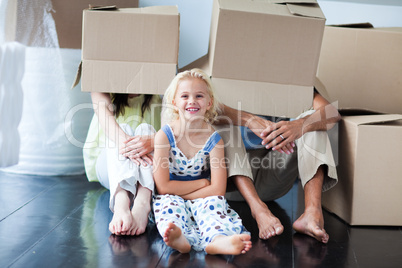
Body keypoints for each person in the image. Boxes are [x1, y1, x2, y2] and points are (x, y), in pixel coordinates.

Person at [152, 68, 252, 255]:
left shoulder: (214, 140)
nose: (192, 101)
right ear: (174, 102)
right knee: (170, 208)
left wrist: (190, 193)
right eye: (184, 96)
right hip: (178, 194)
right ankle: (181, 239)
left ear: (209, 102)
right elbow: (163, 187)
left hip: (204, 196)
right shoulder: (164, 136)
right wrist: (201, 183)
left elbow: (218, 190)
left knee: (213, 207)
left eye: (199, 96)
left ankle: (218, 240)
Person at [219, 90, 341, 243]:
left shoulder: (288, 74)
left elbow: (331, 113)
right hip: (230, 183)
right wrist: (248, 119)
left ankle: (312, 213)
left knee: (311, 120)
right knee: (220, 122)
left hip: (273, 173)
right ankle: (259, 211)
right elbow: (195, 110)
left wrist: (299, 125)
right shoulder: (220, 71)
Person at [83, 92, 162, 236]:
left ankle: (142, 204)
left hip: (148, 171)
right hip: (111, 167)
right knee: (122, 129)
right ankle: (121, 203)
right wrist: (131, 146)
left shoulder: (158, 96)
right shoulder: (105, 90)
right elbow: (103, 111)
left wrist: (151, 140)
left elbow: (178, 127)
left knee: (147, 130)